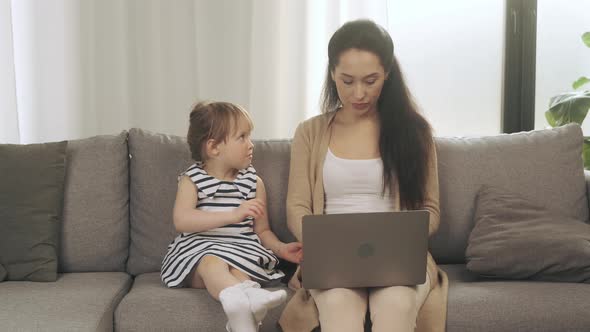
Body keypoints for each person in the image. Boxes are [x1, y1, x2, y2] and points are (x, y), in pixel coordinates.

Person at [279, 19, 448, 332]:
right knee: (339, 309)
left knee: (396, 305)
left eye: (370, 81)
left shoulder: (416, 133)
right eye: (347, 81)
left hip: (399, 263)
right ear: (332, 74)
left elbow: (431, 209)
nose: (359, 93)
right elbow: (296, 207)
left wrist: (398, 242)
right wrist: (326, 245)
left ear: (387, 74)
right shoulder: (309, 133)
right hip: (333, 262)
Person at [161, 101, 303, 332]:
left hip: (240, 252)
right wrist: (233, 214)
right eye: (242, 137)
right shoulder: (192, 179)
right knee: (212, 261)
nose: (251, 144)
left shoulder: (253, 183)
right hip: (198, 255)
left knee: (237, 270)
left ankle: (242, 314)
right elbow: (182, 220)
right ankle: (247, 297)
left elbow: (262, 231)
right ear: (214, 147)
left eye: (250, 136)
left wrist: (281, 249)